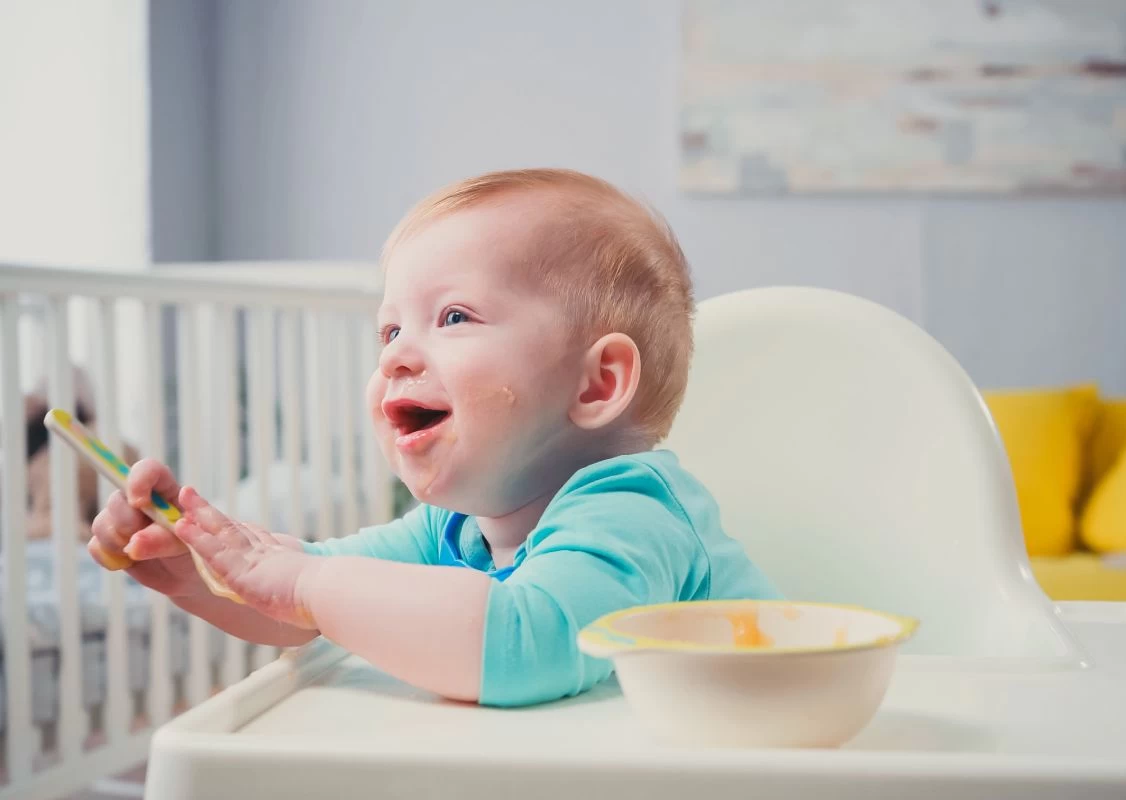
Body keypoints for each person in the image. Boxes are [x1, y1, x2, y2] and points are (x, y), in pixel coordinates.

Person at [88, 168, 780, 707]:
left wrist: (304, 578)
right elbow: (305, 610)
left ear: (597, 385)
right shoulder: (453, 530)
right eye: (389, 330)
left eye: (453, 317)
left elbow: (526, 641)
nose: (394, 356)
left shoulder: (634, 510)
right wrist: (200, 571)